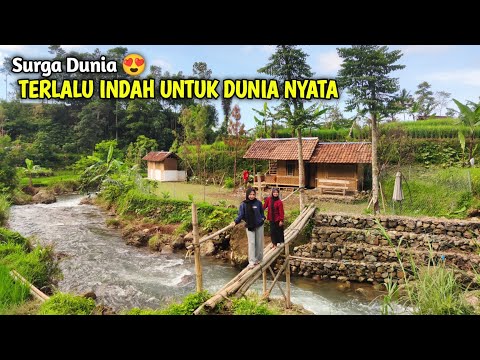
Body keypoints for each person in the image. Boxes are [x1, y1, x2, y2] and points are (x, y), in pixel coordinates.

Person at [231, 187, 265, 269]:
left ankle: (258, 259)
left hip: (259, 225)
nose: (252, 196)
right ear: (247, 195)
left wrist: (263, 218)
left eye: (253, 194)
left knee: (259, 243)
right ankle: (252, 261)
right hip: (249, 225)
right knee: (252, 243)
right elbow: (240, 215)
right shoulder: (243, 204)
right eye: (250, 194)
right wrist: (235, 221)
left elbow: (261, 213)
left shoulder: (258, 203)